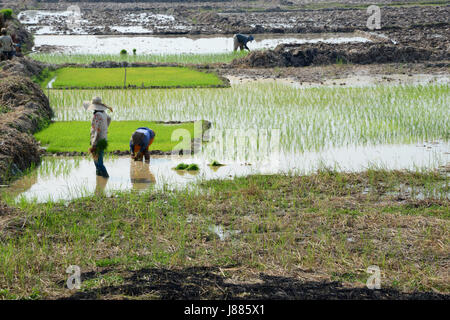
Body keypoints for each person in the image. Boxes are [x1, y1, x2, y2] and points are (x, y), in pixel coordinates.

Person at [83, 97, 113, 178]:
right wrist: (105, 129)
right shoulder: (103, 113)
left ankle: (105, 177)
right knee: (99, 160)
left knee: (98, 163)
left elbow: (95, 131)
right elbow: (109, 119)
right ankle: (99, 179)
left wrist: (93, 144)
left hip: (97, 141)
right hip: (103, 140)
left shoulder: (96, 115)